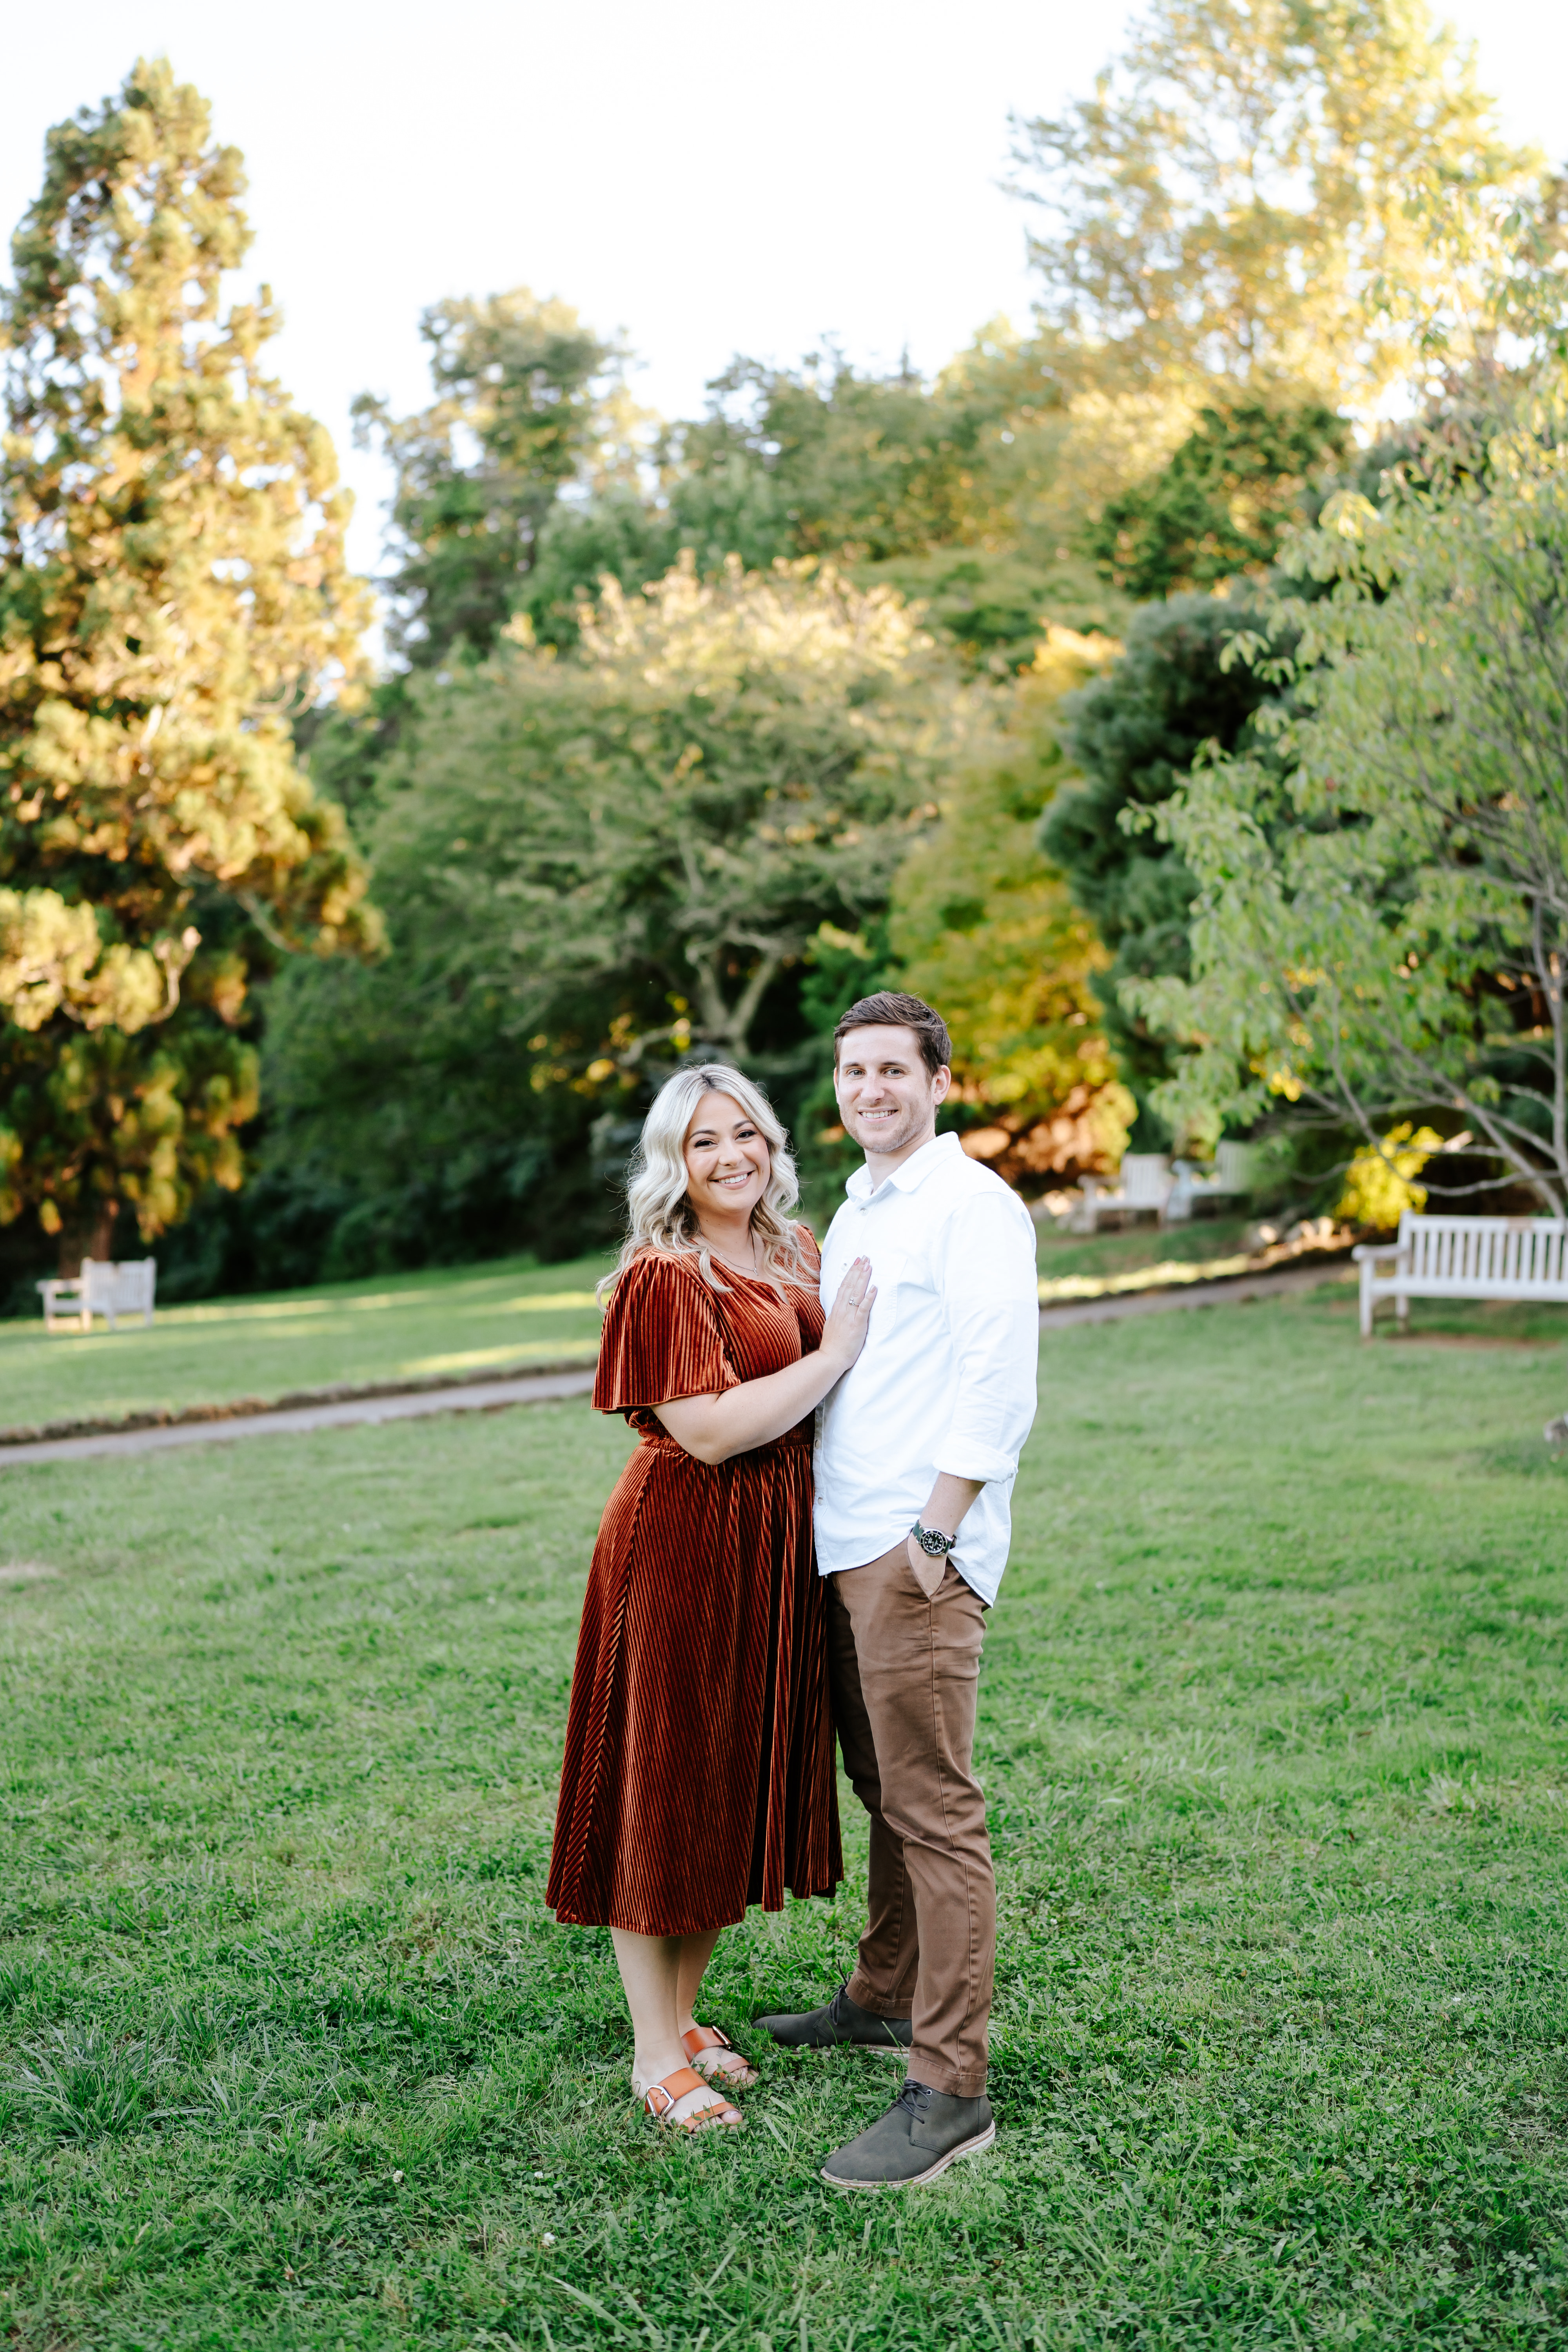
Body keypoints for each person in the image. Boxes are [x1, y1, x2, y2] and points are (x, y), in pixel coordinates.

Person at [547, 1063, 876, 2134]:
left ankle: (686, 2019)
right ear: (673, 1165)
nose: (732, 1155)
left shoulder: (794, 1249)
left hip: (775, 1547)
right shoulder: (665, 1275)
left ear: (771, 1141)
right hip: (684, 1540)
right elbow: (711, 1429)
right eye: (704, 1143)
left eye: (746, 1133)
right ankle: (654, 2055)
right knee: (665, 1790)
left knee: (726, 1788)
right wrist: (837, 1355)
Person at [756, 992, 1040, 2190]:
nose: (869, 1089)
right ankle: (880, 1996)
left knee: (933, 1810)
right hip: (845, 1541)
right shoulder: (864, 1204)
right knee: (885, 1790)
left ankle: (950, 2089)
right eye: (852, 1073)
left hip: (913, 1552)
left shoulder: (971, 1206)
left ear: (938, 1079)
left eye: (891, 1070)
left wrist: (937, 1534)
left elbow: (1000, 1381)